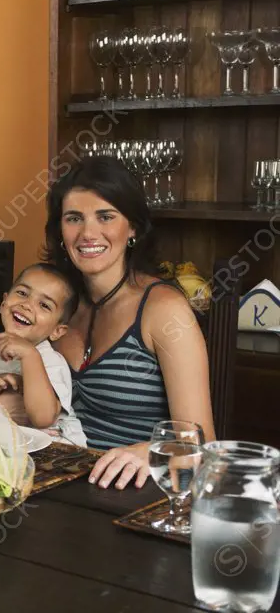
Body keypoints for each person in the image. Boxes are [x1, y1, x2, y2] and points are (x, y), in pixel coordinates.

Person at [45, 156, 214, 489]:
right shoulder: (59, 304)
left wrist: (150, 451)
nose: (88, 233)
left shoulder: (164, 309)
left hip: (138, 494)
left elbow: (201, 446)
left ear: (133, 227)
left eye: (105, 217)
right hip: (61, 485)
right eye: (74, 218)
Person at [0, 263, 87, 447]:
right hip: (3, 449)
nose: (27, 305)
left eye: (44, 305)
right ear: (3, 303)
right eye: (22, 293)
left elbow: (43, 418)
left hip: (56, 452)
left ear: (57, 331)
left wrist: (30, 355)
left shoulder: (51, 362)